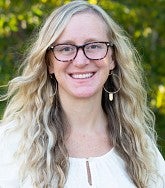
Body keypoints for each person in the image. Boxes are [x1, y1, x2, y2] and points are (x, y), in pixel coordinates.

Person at [0, 0, 165, 187]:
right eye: (65, 48)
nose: (80, 61)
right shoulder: (10, 144)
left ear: (113, 58)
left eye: (94, 46)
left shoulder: (141, 148)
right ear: (49, 63)